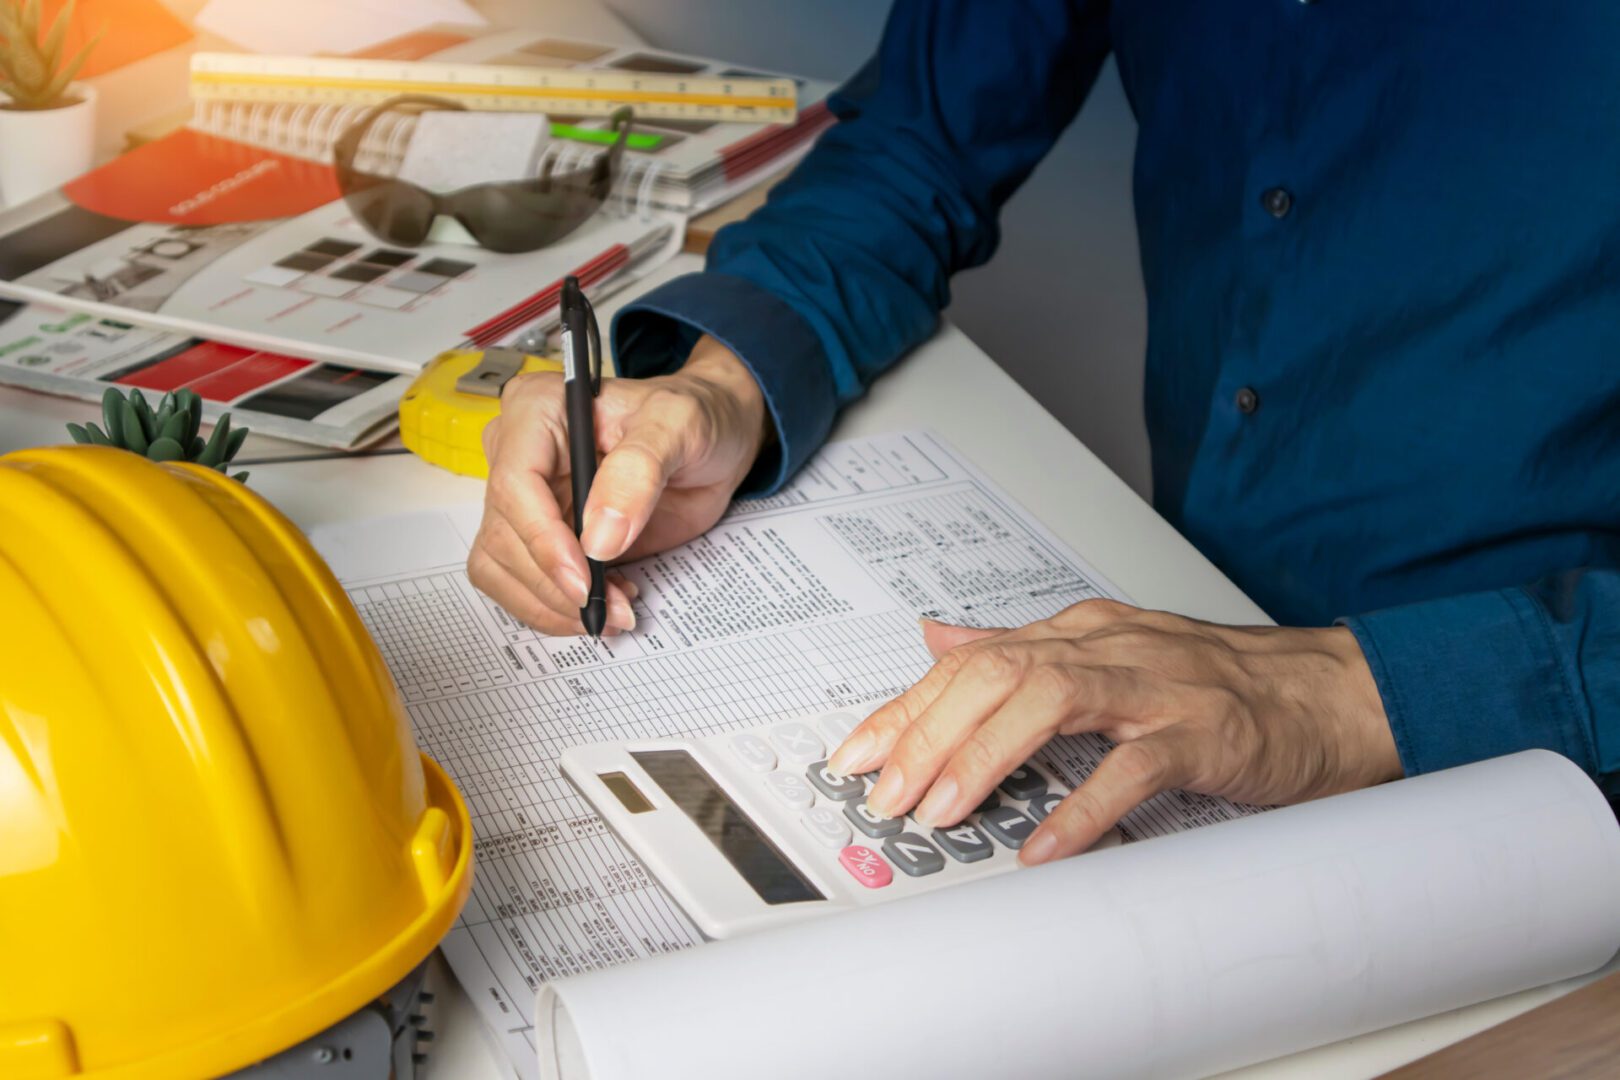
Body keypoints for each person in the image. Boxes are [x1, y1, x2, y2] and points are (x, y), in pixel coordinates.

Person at [470, 1, 1620, 865]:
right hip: (1183, 640)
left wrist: (1341, 692)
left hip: (1562, 767)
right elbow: (922, 139)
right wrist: (723, 386)